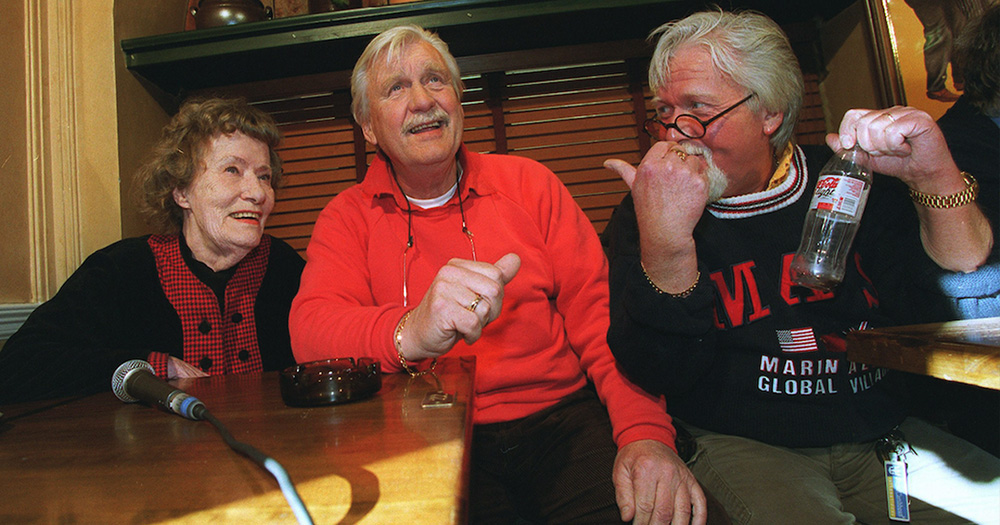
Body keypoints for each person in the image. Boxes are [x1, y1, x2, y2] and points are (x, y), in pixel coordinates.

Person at [289, 25, 705, 525]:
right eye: (396, 88)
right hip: (428, 435)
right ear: (369, 127)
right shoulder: (346, 217)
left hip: (564, 421)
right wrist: (412, 330)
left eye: (435, 80)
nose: (423, 100)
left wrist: (644, 435)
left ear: (459, 101)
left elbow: (602, 323)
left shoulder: (531, 185)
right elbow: (310, 331)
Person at [601, 9, 999, 524]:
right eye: (665, 111)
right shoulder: (645, 208)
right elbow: (654, 370)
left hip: (882, 428)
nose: (677, 132)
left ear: (769, 113)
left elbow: (961, 300)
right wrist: (667, 242)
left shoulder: (845, 183)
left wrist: (936, 178)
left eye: (698, 108)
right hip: (744, 441)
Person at [0, 97, 304, 404]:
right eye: (232, 170)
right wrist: (148, 367)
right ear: (182, 191)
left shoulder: (284, 268)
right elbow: (17, 366)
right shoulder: (122, 270)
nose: (257, 193)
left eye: (264, 176)